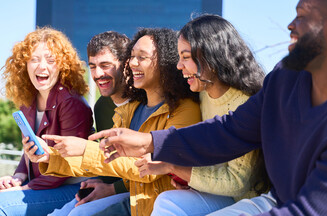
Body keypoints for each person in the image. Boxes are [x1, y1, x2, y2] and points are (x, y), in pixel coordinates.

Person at [86, 0, 327, 215]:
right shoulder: (284, 79)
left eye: (302, 16)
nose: (290, 25)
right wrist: (149, 142)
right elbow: (228, 131)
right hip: (277, 199)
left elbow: (316, 209)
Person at [26, 28, 201, 216]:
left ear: (164, 62)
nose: (133, 63)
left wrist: (86, 150)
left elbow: (151, 168)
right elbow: (112, 159)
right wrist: (50, 157)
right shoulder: (128, 110)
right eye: (132, 56)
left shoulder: (185, 110)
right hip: (136, 200)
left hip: (157, 204)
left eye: (141, 57)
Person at [134, 14, 269, 216]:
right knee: (167, 201)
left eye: (186, 57)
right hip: (217, 196)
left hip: (247, 201)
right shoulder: (202, 94)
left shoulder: (246, 104)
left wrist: (172, 166)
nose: (179, 66)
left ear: (213, 58)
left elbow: (237, 183)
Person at [0, 27, 93, 216]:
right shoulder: (28, 101)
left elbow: (67, 166)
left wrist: (21, 190)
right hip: (40, 186)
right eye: (34, 59)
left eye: (51, 61)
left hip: (73, 188)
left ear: (62, 66)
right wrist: (18, 178)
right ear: (24, 65)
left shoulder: (71, 102)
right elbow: (29, 152)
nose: (42, 66)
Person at [48, 31, 132, 215]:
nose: (98, 74)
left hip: (137, 191)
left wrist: (112, 189)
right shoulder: (102, 106)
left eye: (105, 65)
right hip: (109, 187)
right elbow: (106, 158)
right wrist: (48, 156)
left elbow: (144, 166)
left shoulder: (144, 101)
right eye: (92, 66)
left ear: (126, 64)